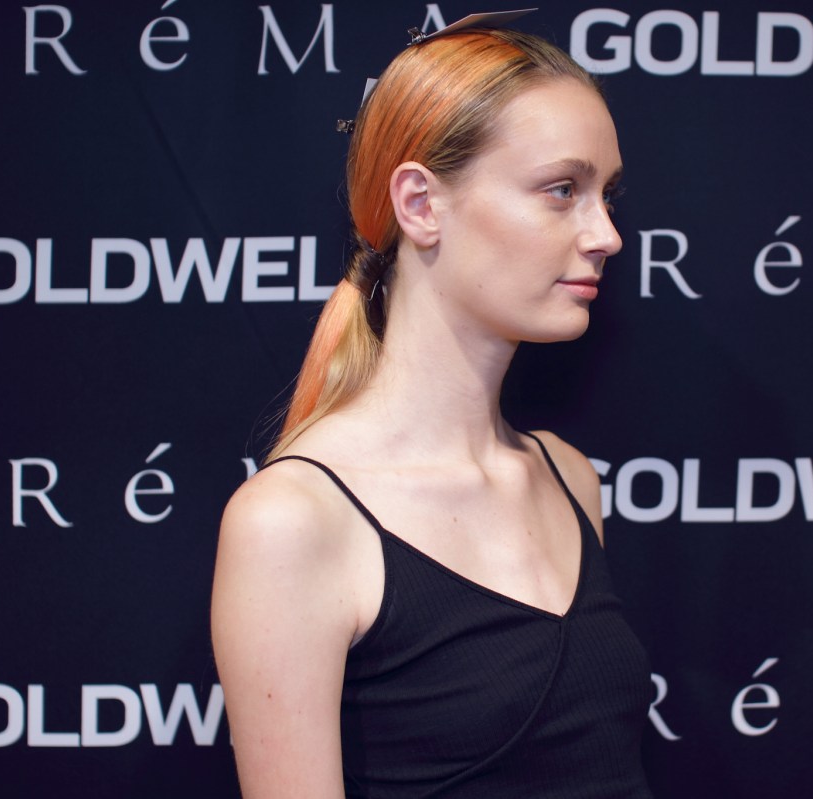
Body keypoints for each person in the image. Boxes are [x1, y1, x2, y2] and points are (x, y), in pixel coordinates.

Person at [212, 22, 653, 798]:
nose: (606, 234)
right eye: (563, 190)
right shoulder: (292, 521)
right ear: (420, 203)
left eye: (606, 195)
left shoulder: (568, 477)